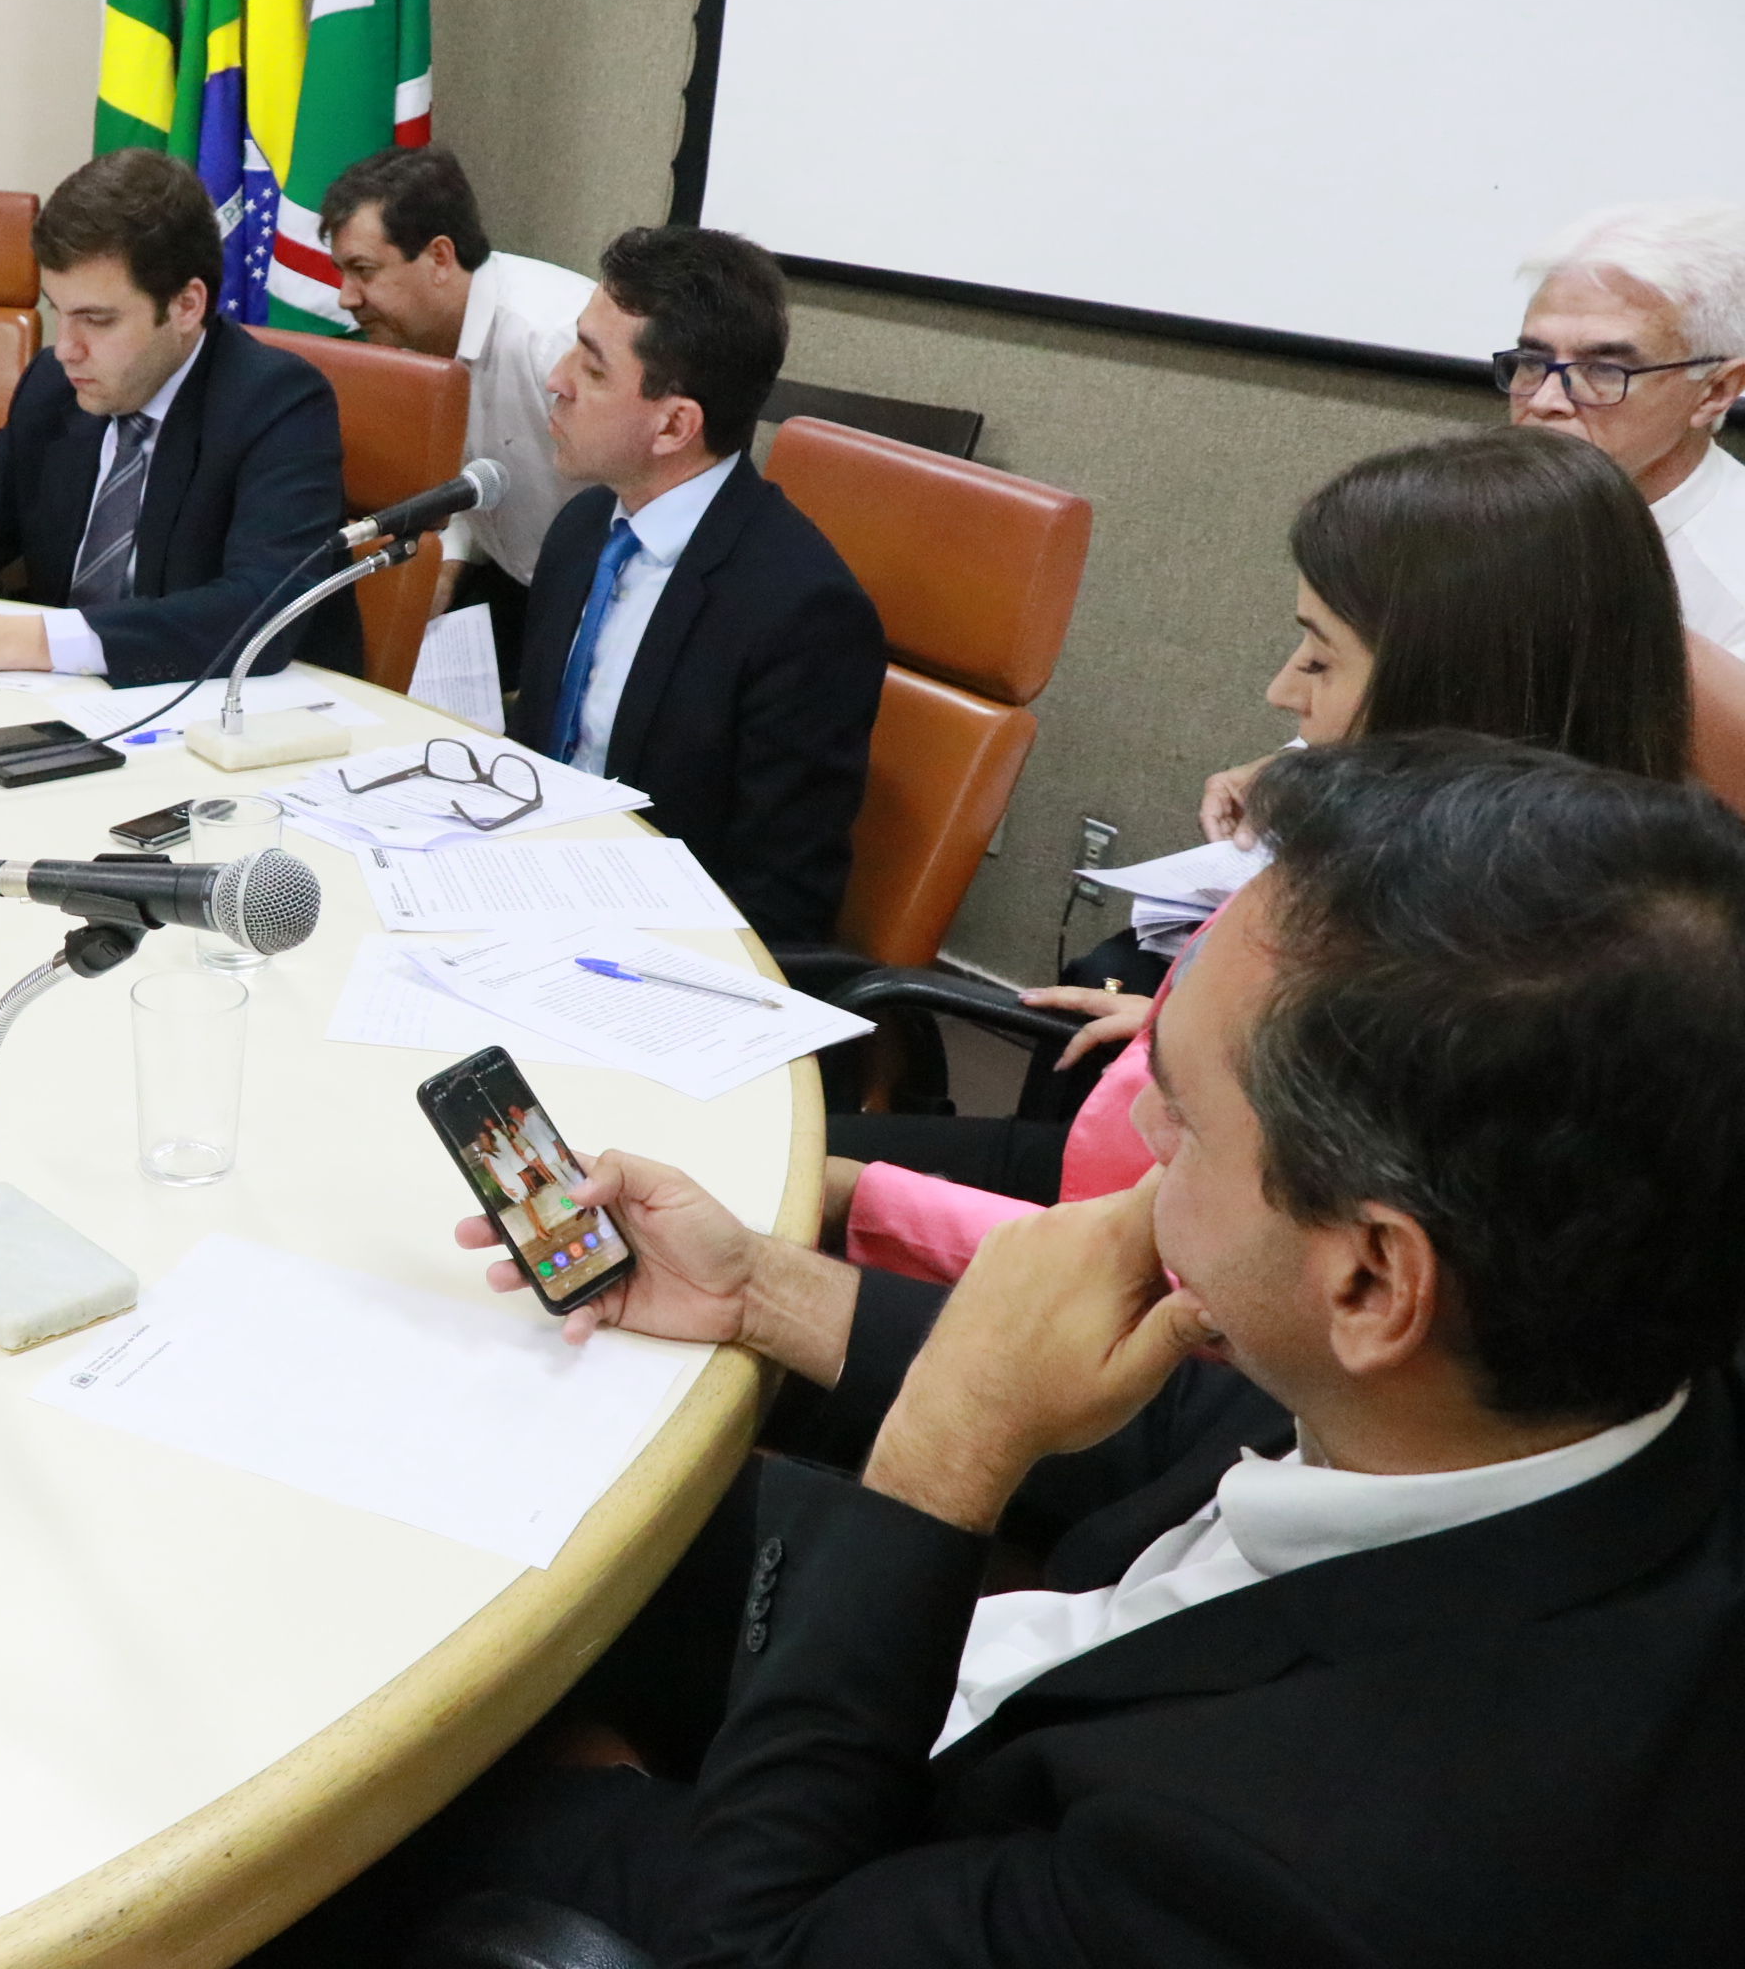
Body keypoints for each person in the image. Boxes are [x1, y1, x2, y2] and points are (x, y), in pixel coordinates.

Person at [282, 734, 1745, 1966]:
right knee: (508, 1501)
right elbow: (1188, 1430)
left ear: (1371, 1278)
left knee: (361, 1751)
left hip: (848, 1861)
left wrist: (943, 1462)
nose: (1139, 1133)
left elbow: (758, 1945)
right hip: (1012, 1684)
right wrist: (761, 1295)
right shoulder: (1553, 1385)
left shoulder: (1292, 1878)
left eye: (1180, 1112)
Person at [836, 429, 1693, 1283]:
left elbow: (1172, 1295)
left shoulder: (1447, 996)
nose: (1282, 691)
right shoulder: (1423, 864)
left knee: (791, 1185)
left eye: (1318, 658)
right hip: (1110, 1176)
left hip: (1119, 1265)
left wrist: (855, 1201)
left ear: (1453, 690)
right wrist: (1190, 1035)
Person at [0, 149, 358, 685]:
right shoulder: (54, 385)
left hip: (245, 720)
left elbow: (262, 607)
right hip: (72, 705)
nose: (66, 349)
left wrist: (14, 639)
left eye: (98, 320)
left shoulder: (277, 402)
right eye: (58, 312)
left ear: (187, 305)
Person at [503, 227, 886, 948]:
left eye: (592, 369)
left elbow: (779, 907)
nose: (555, 379)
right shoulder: (582, 530)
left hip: (656, 952)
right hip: (524, 901)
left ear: (675, 425)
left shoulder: (801, 612)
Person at [321, 144, 593, 672]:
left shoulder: (553, 340)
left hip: (596, 599)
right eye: (341, 271)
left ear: (440, 258)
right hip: (514, 579)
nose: (345, 298)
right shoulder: (410, 336)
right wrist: (449, 563)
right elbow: (480, 476)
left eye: (363, 270)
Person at [1500, 198, 1745, 654]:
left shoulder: (1731, 596)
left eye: (1604, 370)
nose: (1545, 400)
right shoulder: (1457, 516)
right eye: (1533, 360)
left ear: (1715, 391)